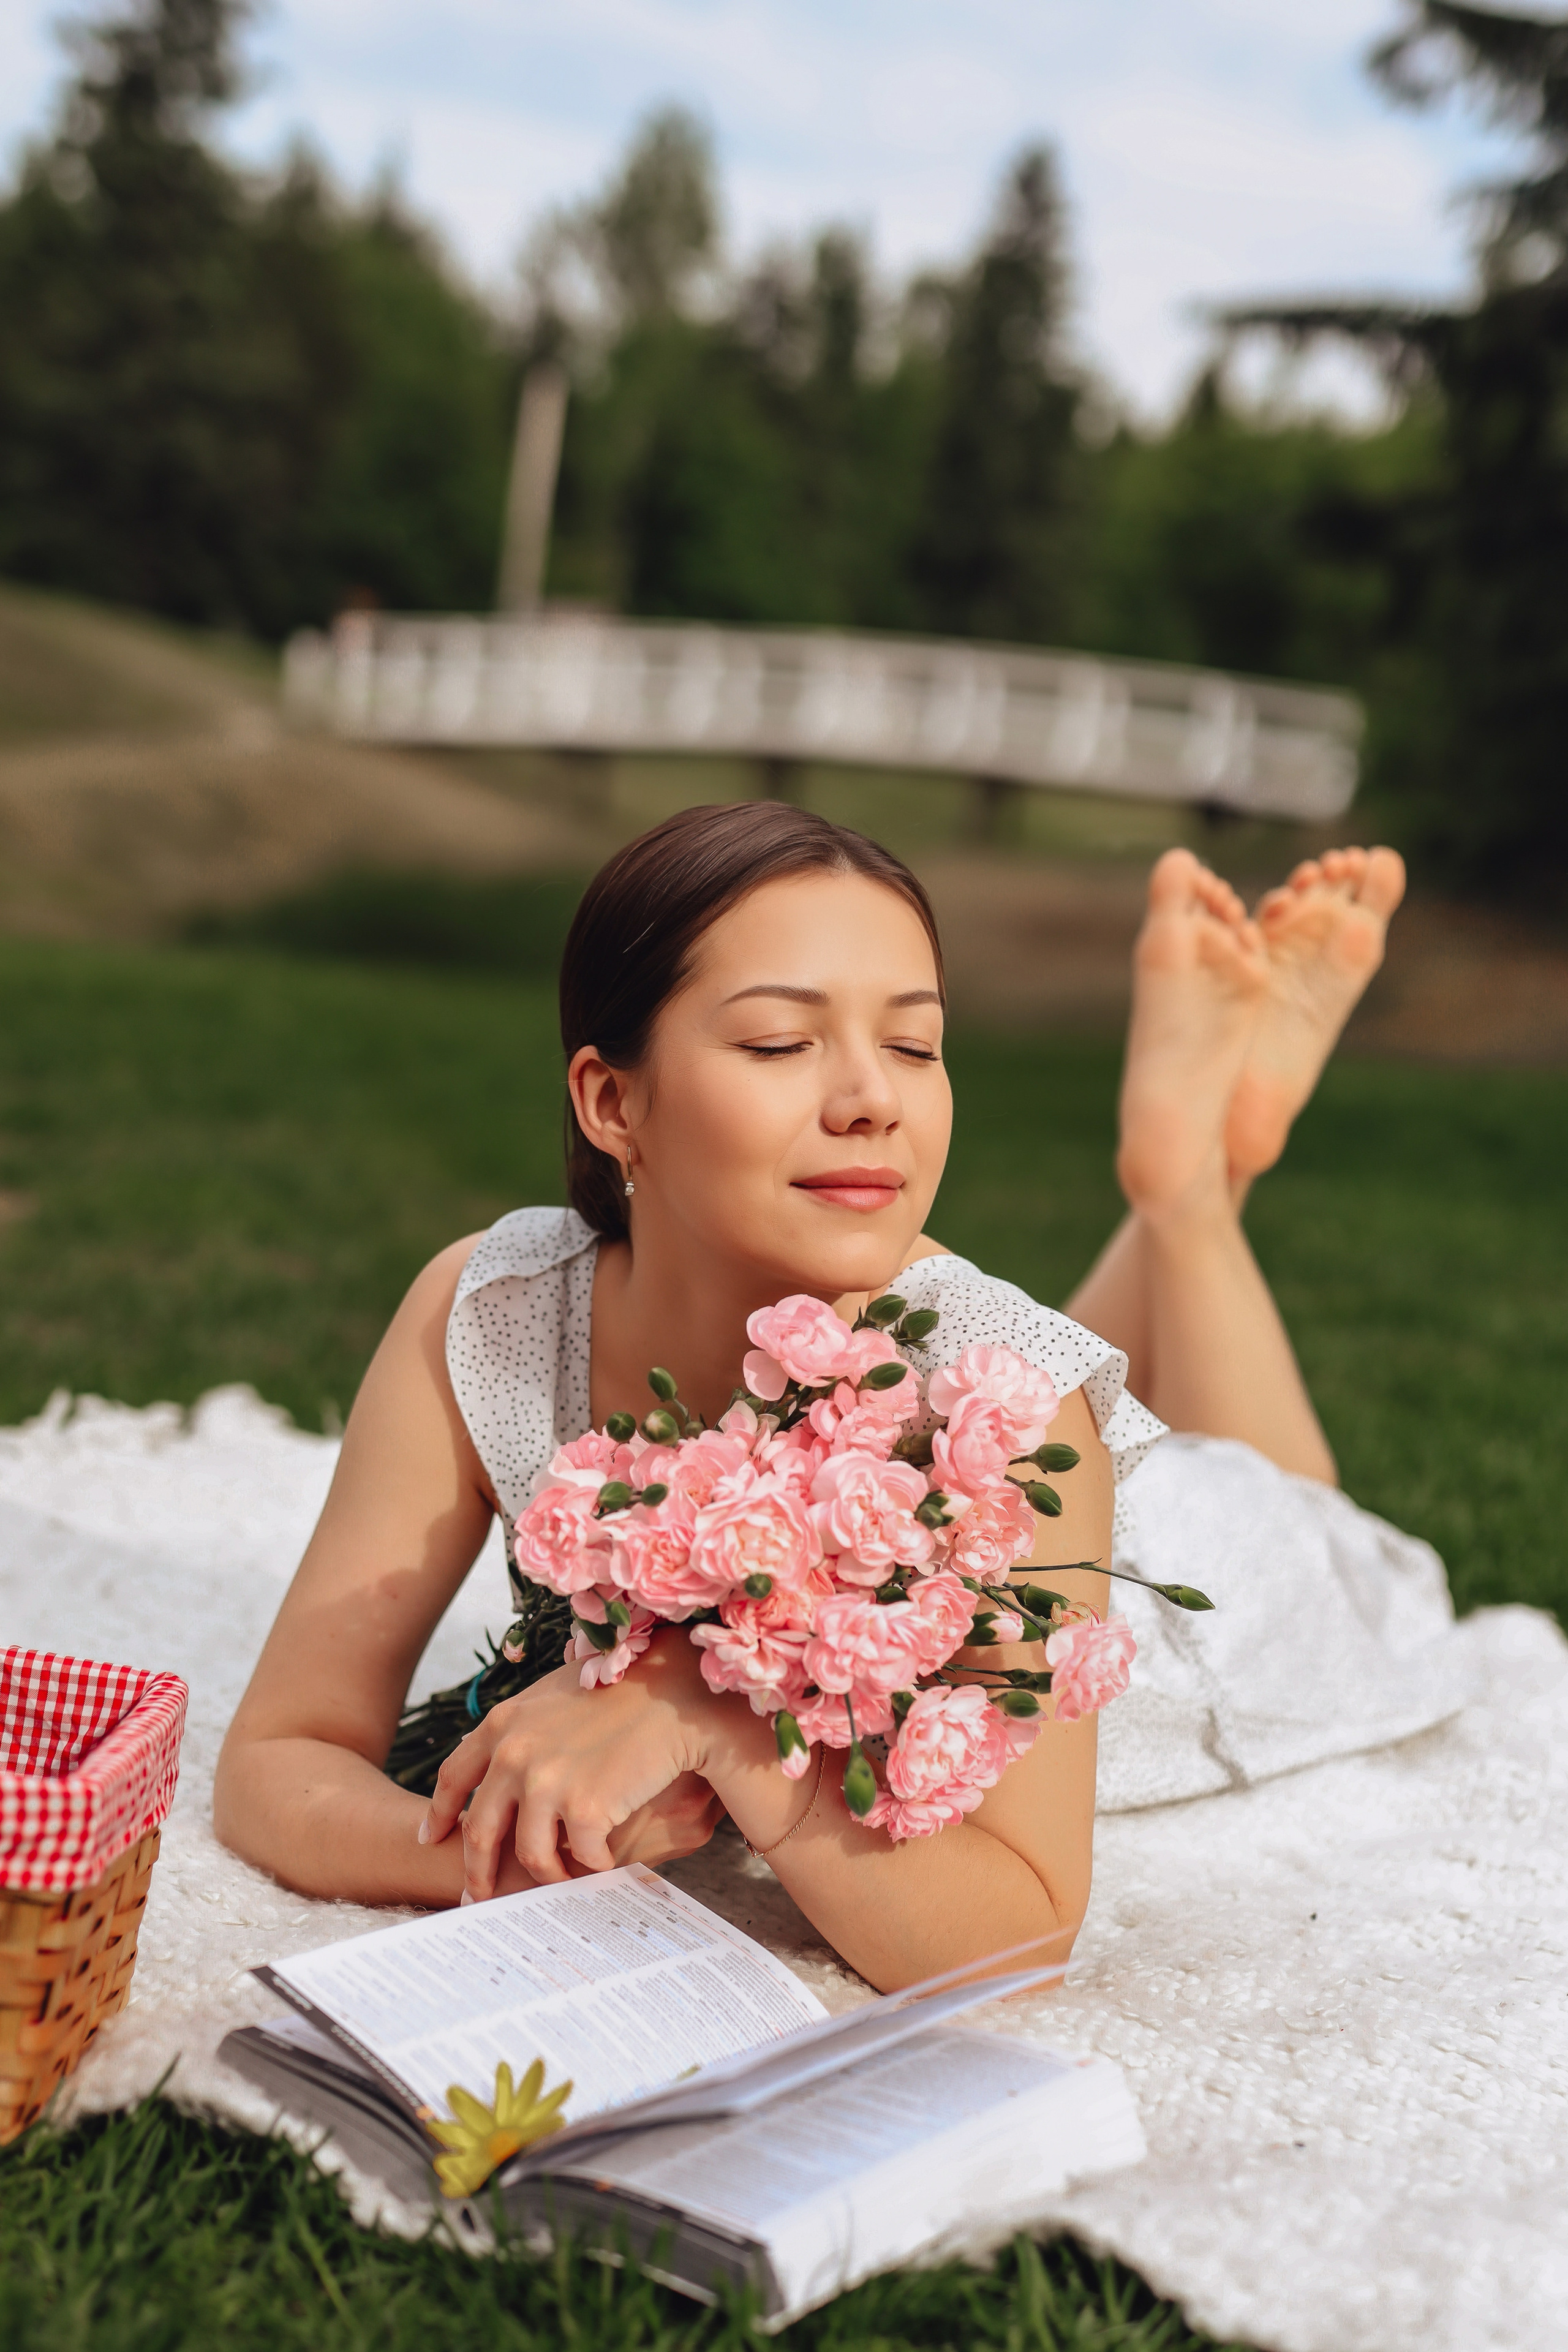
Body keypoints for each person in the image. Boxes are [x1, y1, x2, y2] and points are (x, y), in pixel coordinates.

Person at [214, 805, 1405, 1992]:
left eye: (914, 1045)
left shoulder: (1014, 1413)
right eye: (781, 1043)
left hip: (1217, 1612)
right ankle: (1183, 1182)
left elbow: (1022, 1938)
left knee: (1311, 1525)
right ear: (611, 1103)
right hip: (1000, 1379)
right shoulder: (490, 1317)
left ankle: (1187, 1185)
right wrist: (497, 1862)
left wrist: (715, 1719)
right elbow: (283, 1752)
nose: (870, 1100)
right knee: (1011, 1348)